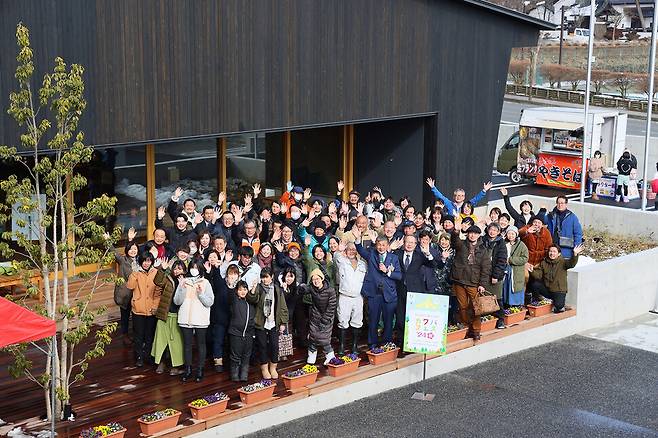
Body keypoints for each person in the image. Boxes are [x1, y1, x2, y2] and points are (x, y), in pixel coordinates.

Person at [354, 228, 402, 349]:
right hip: (374, 293)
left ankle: (387, 342)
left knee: (388, 321)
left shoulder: (394, 258)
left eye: (383, 245)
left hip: (389, 294)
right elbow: (360, 249)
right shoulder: (371, 255)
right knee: (373, 320)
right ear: (376, 246)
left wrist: (387, 272)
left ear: (387, 246)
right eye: (379, 245)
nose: (381, 247)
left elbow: (399, 275)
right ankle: (372, 344)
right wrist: (357, 239)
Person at [174, 258, 214, 382]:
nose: (194, 270)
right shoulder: (184, 281)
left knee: (201, 344)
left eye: (196, 267)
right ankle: (188, 369)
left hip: (200, 319)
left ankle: (200, 369)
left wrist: (201, 294)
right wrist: (181, 288)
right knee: (187, 345)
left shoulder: (206, 282)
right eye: (192, 267)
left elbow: (210, 302)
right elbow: (177, 301)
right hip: (185, 318)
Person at [450, 225, 491, 341]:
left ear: (479, 235)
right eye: (470, 233)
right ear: (467, 234)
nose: (472, 235)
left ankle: (476, 330)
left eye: (475, 233)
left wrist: (482, 284)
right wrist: (456, 231)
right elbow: (454, 242)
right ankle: (467, 328)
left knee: (476, 307)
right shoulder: (461, 244)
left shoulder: (483, 249)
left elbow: (486, 268)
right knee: (462, 306)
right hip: (459, 279)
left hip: (474, 282)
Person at [394, 234, 436, 336]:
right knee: (400, 318)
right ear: (403, 243)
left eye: (412, 243)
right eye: (407, 242)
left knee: (414, 317)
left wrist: (428, 254)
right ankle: (401, 341)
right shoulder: (397, 254)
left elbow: (432, 264)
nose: (409, 245)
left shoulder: (420, 255)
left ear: (415, 244)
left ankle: (412, 341)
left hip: (415, 291)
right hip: (400, 290)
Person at [152, 258, 186, 376]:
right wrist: (163, 269)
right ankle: (160, 363)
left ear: (184, 270)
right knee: (161, 341)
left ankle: (175, 366)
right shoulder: (168, 279)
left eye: (180, 269)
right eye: (175, 268)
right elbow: (157, 281)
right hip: (165, 315)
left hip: (178, 317)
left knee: (176, 343)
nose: (177, 271)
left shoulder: (187, 282)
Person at [253, 267, 289, 379]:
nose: (264, 280)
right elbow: (252, 299)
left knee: (274, 346)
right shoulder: (259, 288)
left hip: (273, 321)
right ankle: (264, 368)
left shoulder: (277, 289)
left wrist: (283, 322)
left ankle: (273, 367)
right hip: (261, 322)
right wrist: (253, 289)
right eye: (263, 277)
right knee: (262, 346)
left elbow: (283, 306)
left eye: (266, 277)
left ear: (272, 277)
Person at [333, 242, 367, 354]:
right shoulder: (342, 261)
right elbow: (336, 255)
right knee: (343, 321)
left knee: (357, 321)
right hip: (344, 296)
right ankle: (342, 346)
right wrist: (339, 249)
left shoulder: (363, 264)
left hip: (358, 297)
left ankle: (354, 346)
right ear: (345, 251)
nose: (351, 251)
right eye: (349, 249)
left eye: (354, 249)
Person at [126, 252, 159, 367]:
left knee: (150, 334)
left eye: (149, 260)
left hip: (151, 309)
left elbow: (158, 292)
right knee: (138, 335)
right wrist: (134, 272)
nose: (146, 263)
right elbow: (130, 286)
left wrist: (155, 306)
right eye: (144, 261)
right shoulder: (136, 272)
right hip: (138, 309)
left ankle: (148, 355)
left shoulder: (156, 272)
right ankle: (139, 356)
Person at [530, 244, 583, 313]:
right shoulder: (544, 262)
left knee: (559, 306)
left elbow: (571, 264)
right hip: (547, 290)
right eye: (550, 251)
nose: (552, 253)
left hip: (558, 291)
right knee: (535, 284)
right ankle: (539, 301)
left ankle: (557, 303)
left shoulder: (563, 262)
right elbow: (538, 275)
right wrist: (532, 271)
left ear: (559, 254)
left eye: (554, 252)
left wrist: (575, 254)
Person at [302, 269, 337, 365]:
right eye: (313, 279)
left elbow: (332, 306)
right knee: (313, 337)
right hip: (315, 315)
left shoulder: (330, 290)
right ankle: (312, 356)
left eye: (317, 279)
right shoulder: (312, 288)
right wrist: (301, 288)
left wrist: (325, 319)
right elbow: (305, 289)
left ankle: (330, 356)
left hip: (327, 317)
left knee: (324, 339)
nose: (316, 281)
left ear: (322, 279)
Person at [227, 280, 258, 382]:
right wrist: (231, 284)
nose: (243, 292)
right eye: (240, 290)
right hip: (236, 333)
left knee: (246, 355)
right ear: (236, 291)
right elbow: (230, 295)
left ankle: (244, 375)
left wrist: (253, 288)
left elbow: (254, 298)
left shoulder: (250, 301)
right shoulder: (235, 300)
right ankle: (234, 375)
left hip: (248, 333)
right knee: (235, 355)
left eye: (244, 289)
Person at [113, 229, 139, 346]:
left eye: (135, 249)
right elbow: (113, 252)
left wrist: (131, 240)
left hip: (138, 293)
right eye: (131, 249)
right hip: (126, 293)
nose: (133, 251)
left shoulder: (140, 260)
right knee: (125, 315)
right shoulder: (123, 260)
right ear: (127, 251)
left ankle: (135, 334)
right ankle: (125, 335)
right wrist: (108, 241)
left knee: (136, 316)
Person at [483, 222, 508, 329]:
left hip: (495, 275)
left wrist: (495, 275)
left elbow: (502, 261)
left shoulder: (501, 243)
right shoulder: (483, 240)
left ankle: (500, 320)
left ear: (498, 232)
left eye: (495, 230)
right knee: (484, 298)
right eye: (491, 229)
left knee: (497, 298)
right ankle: (487, 320)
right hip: (484, 274)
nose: (492, 232)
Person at [426, 177, 492, 217]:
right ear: (453, 196)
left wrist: (484, 190)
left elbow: (476, 198)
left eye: (461, 196)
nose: (459, 197)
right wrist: (433, 187)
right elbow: (441, 197)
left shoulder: (467, 204)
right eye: (457, 195)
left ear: (464, 197)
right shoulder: (449, 204)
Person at [432, 232, 457, 323]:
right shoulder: (434, 249)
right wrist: (442, 258)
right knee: (437, 302)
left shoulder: (453, 251)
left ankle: (449, 322)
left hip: (449, 281)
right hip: (436, 280)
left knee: (448, 303)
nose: (444, 242)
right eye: (442, 239)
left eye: (446, 240)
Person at [503, 226, 528, 308]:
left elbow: (525, 258)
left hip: (516, 271)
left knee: (515, 287)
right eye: (509, 233)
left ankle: (516, 305)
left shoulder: (522, 245)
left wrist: (510, 260)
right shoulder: (503, 244)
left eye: (512, 234)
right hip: (505, 270)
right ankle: (506, 305)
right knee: (505, 287)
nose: (510, 235)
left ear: (516, 234)